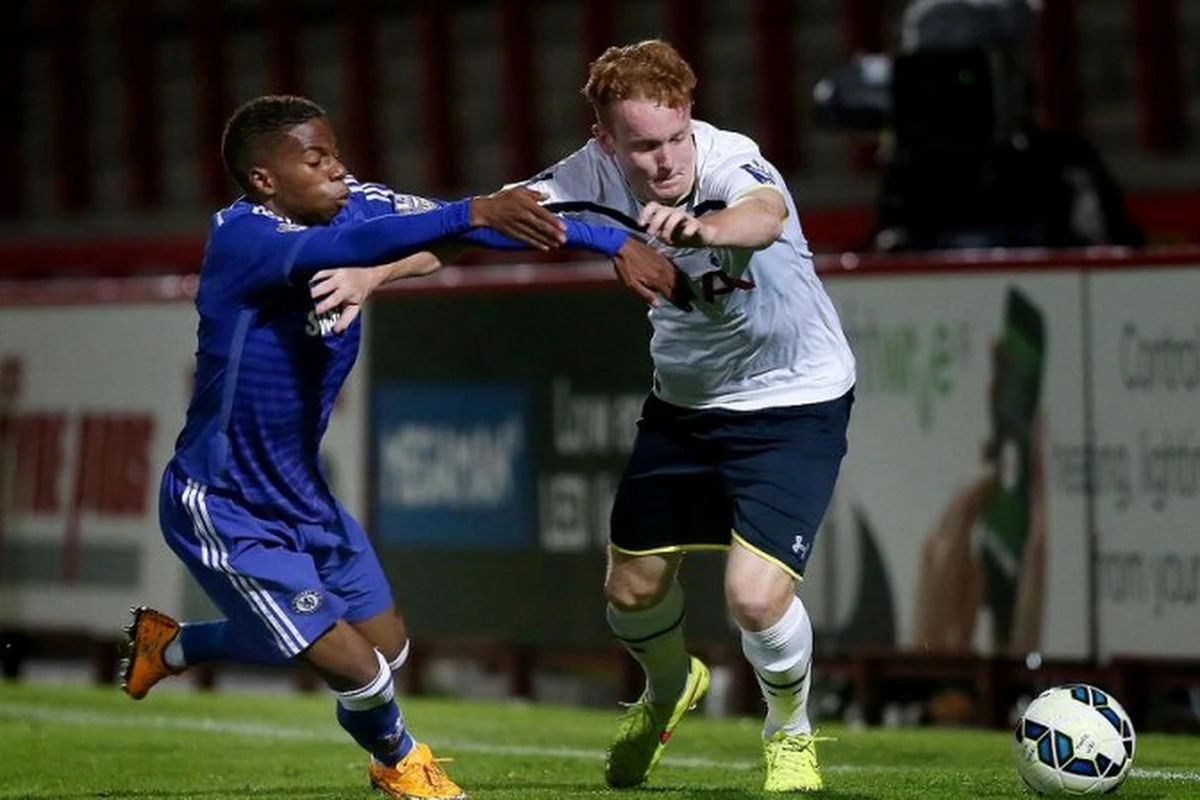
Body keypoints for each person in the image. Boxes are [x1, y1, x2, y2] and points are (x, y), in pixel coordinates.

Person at [312, 40, 856, 794]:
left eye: (674, 139)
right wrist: (374, 271)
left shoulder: (733, 162)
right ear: (606, 140)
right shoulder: (583, 177)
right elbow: (467, 234)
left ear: (690, 118)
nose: (666, 160)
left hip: (793, 400)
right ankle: (669, 691)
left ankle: (789, 734)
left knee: (754, 598)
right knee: (629, 596)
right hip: (687, 408)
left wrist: (701, 230)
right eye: (643, 146)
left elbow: (762, 217)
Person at [118, 93, 679, 800]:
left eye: (335, 151)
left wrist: (614, 243)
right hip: (223, 498)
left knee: (385, 647)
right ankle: (401, 763)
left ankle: (170, 645)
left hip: (301, 492)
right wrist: (470, 211)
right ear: (266, 180)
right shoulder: (242, 236)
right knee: (359, 670)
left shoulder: (358, 204)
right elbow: (357, 247)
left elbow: (481, 228)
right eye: (316, 159)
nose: (339, 169)